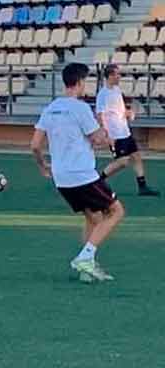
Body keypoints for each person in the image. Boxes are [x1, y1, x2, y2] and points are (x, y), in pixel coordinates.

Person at [31, 62, 125, 282]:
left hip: (62, 178)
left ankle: (87, 269)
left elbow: (35, 144)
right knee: (116, 211)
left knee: (93, 217)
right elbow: (97, 139)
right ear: (80, 82)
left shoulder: (51, 108)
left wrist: (42, 166)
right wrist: (106, 136)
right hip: (82, 174)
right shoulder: (80, 108)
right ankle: (86, 256)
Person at [96, 64, 160, 196]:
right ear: (110, 76)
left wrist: (128, 113)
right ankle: (98, 181)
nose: (119, 76)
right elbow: (99, 114)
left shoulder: (117, 90)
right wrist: (106, 134)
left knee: (136, 157)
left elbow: (120, 110)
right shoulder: (103, 94)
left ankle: (142, 187)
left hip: (125, 131)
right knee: (122, 162)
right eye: (117, 74)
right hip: (115, 134)